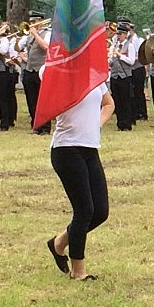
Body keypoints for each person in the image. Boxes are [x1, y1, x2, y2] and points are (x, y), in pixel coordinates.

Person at [45, 80, 114, 281]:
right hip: (66, 149)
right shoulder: (57, 74)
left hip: (90, 149)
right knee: (84, 211)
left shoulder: (95, 77)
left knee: (100, 211)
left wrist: (96, 125)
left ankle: (59, 243)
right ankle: (78, 271)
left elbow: (108, 104)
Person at [18, 11, 52, 134]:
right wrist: (20, 37)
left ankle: (45, 127)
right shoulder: (28, 35)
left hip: (41, 70)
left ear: (41, 21)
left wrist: (36, 34)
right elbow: (18, 48)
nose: (31, 23)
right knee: (31, 99)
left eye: (34, 21)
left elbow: (46, 47)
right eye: (31, 21)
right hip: (29, 69)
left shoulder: (48, 33)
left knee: (43, 100)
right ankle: (35, 125)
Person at [108, 23, 136, 131]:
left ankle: (127, 124)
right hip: (115, 76)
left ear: (125, 34)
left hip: (125, 76)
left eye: (120, 34)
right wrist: (110, 59)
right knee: (117, 101)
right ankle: (120, 123)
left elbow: (131, 61)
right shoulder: (113, 46)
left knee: (126, 100)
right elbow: (111, 62)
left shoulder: (130, 46)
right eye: (117, 34)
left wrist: (120, 55)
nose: (118, 36)